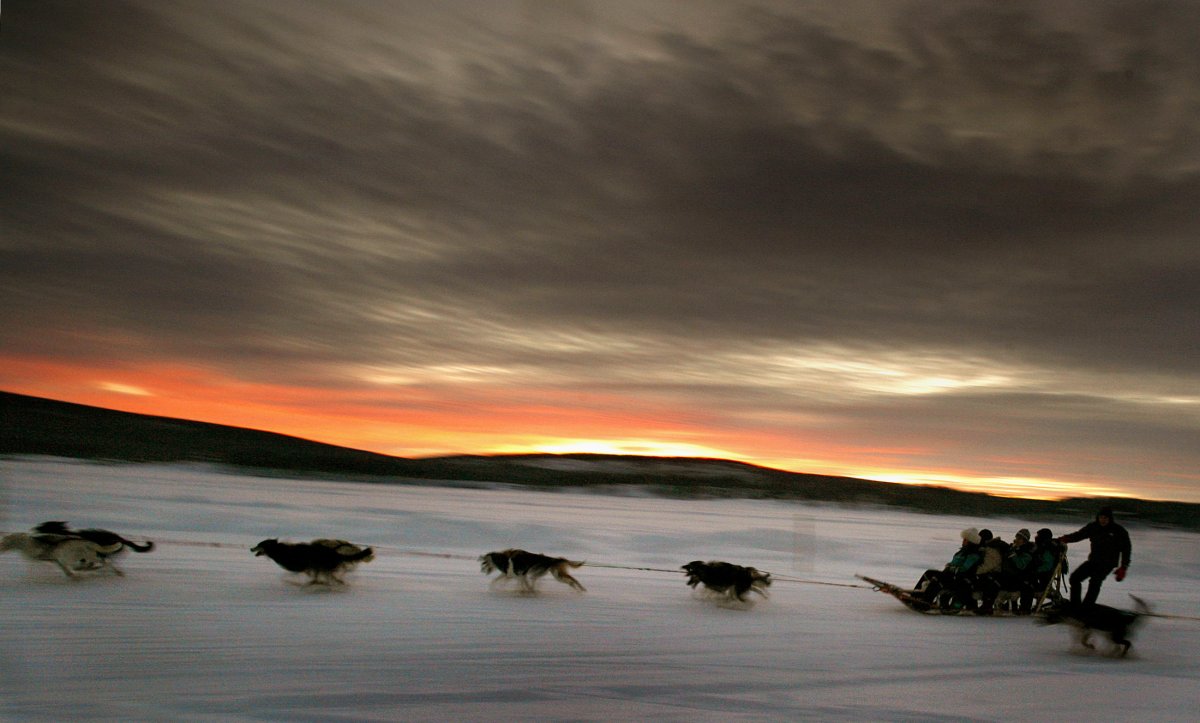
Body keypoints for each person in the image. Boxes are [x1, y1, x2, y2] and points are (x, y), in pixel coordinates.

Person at [1058, 506, 1132, 606]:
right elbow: (1079, 535)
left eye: (1105, 518)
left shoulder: (1118, 531)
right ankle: (1075, 605)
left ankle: (1087, 607)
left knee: (1095, 582)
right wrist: (1064, 539)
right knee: (1074, 578)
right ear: (1098, 517)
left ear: (1110, 519)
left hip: (1107, 563)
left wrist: (1123, 567)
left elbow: (1126, 549)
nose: (1103, 520)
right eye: (1101, 517)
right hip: (1093, 561)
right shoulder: (1093, 527)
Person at [914, 528, 982, 610]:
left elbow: (964, 568)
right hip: (952, 575)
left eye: (965, 540)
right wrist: (949, 566)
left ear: (971, 541)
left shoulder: (973, 554)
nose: (963, 541)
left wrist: (950, 568)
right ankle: (915, 596)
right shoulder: (961, 552)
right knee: (929, 573)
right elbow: (954, 563)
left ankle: (926, 601)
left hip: (960, 579)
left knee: (938, 578)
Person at [972, 529, 1009, 615]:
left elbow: (989, 565)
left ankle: (987, 606)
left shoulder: (992, 549)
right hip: (989, 573)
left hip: (995, 574)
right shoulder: (986, 548)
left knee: (988, 584)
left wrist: (975, 572)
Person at [1000, 529, 1035, 613]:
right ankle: (1005, 604)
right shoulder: (1013, 548)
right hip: (1009, 575)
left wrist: (1013, 555)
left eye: (1020, 539)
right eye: (1017, 537)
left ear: (1025, 541)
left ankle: (1015, 606)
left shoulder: (1027, 552)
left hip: (1021, 578)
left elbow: (1020, 565)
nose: (1016, 540)